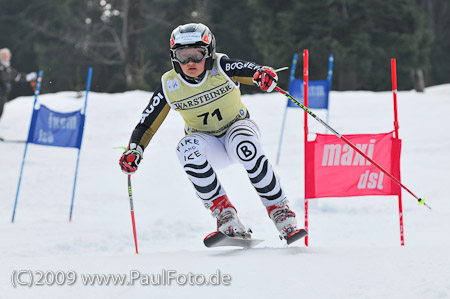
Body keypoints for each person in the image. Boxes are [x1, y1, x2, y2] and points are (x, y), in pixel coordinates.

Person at [119, 23, 301, 240]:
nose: (190, 63)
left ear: (209, 52)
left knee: (246, 146)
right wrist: (134, 150)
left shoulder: (221, 66)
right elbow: (146, 124)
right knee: (186, 148)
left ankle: (279, 211)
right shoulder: (170, 85)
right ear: (173, 57)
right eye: (182, 55)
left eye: (197, 55)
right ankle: (225, 215)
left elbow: (249, 70)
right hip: (208, 143)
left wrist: (263, 75)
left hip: (237, 128)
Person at [0, 48, 37, 122]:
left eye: (6, 56)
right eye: (3, 55)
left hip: (3, 95)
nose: (5, 57)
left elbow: (17, 76)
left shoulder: (9, 69)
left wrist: (27, 77)